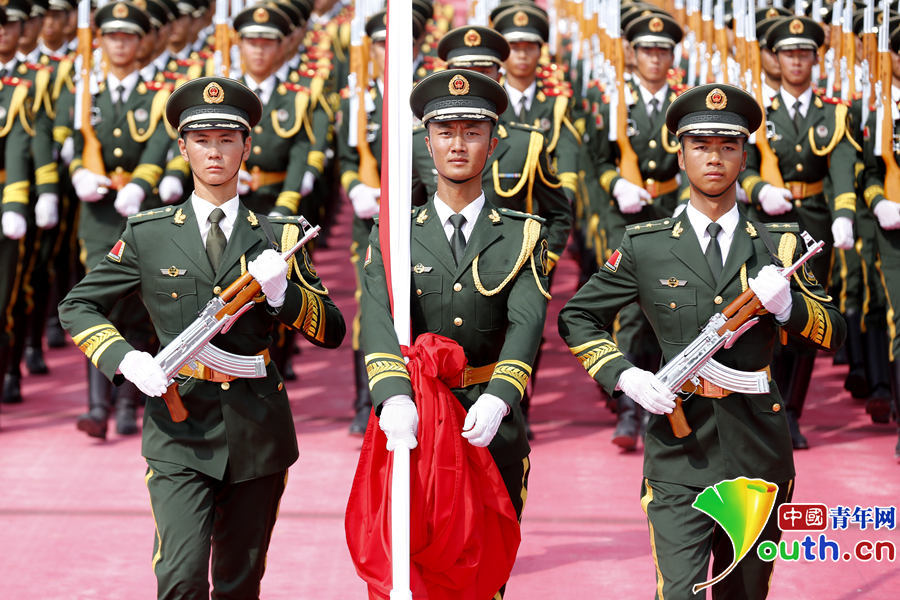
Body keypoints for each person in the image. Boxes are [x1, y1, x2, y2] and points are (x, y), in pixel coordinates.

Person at [59, 76, 345, 597]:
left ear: (247, 146)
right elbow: (77, 305)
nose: (214, 152)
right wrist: (126, 359)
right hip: (179, 427)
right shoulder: (148, 233)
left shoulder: (279, 235)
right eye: (202, 140)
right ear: (182, 147)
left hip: (256, 429)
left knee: (238, 584)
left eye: (226, 140)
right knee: (180, 578)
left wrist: (283, 295)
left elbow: (332, 331)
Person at [559, 83, 846, 599]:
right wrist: (626, 377)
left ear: (745, 157)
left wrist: (788, 308)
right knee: (679, 592)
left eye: (727, 146)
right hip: (679, 449)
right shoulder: (646, 246)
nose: (714, 158)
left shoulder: (779, 245)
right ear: (680, 154)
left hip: (756, 449)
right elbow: (578, 316)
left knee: (743, 594)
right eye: (700, 146)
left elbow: (834, 332)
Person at [361, 69, 549, 598]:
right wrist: (393, 396)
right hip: (417, 420)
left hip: (489, 423)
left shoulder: (522, 233)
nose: (458, 145)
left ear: (493, 143)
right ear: (427, 144)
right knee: (416, 571)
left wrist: (501, 396)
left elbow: (527, 320)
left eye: (472, 132)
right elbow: (376, 317)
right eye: (445, 132)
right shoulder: (395, 232)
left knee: (484, 576)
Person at [739, 16, 859, 448]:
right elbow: (745, 165)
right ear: (775, 57)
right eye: (788, 53)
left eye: (803, 54)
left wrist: (844, 213)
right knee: (765, 315)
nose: (795, 61)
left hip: (813, 222)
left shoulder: (834, 112)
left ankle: (792, 411)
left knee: (807, 316)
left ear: (815, 59)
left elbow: (842, 167)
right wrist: (759, 189)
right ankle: (767, 405)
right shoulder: (759, 112)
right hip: (767, 222)